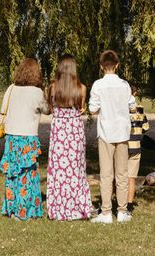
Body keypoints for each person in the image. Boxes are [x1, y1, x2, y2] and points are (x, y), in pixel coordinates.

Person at [89, 50, 137, 224]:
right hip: (122, 133)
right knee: (122, 172)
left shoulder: (97, 85)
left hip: (106, 132)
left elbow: (92, 109)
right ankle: (123, 210)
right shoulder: (124, 85)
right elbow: (133, 106)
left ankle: (107, 211)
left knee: (106, 173)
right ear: (117, 65)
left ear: (102, 67)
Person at [0, 58, 49, 220]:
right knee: (27, 173)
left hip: (12, 137)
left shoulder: (11, 89)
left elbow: (2, 110)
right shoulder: (37, 92)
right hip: (28, 137)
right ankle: (25, 210)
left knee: (12, 173)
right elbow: (47, 110)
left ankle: (12, 208)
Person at [46, 55, 93, 221]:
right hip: (74, 131)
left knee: (58, 170)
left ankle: (58, 207)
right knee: (76, 169)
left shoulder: (52, 87)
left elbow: (50, 109)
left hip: (59, 131)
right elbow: (81, 108)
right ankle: (78, 206)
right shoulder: (82, 88)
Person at [126, 102, 149, 212]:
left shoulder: (122, 106)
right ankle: (129, 203)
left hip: (123, 145)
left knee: (118, 176)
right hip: (136, 146)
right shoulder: (140, 108)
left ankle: (114, 201)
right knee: (131, 177)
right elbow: (146, 127)